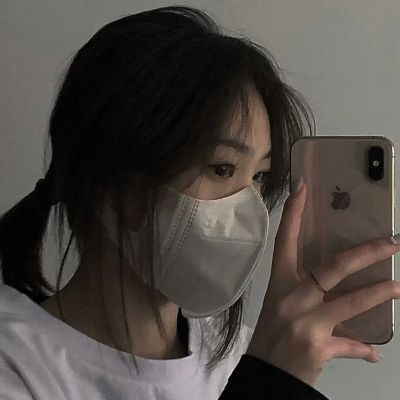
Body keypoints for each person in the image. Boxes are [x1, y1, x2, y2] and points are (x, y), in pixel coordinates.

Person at [0, 5, 399, 400]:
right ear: (110, 184)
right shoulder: (16, 362)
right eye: (222, 169)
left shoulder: (241, 355)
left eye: (260, 176)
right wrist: (272, 384)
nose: (248, 207)